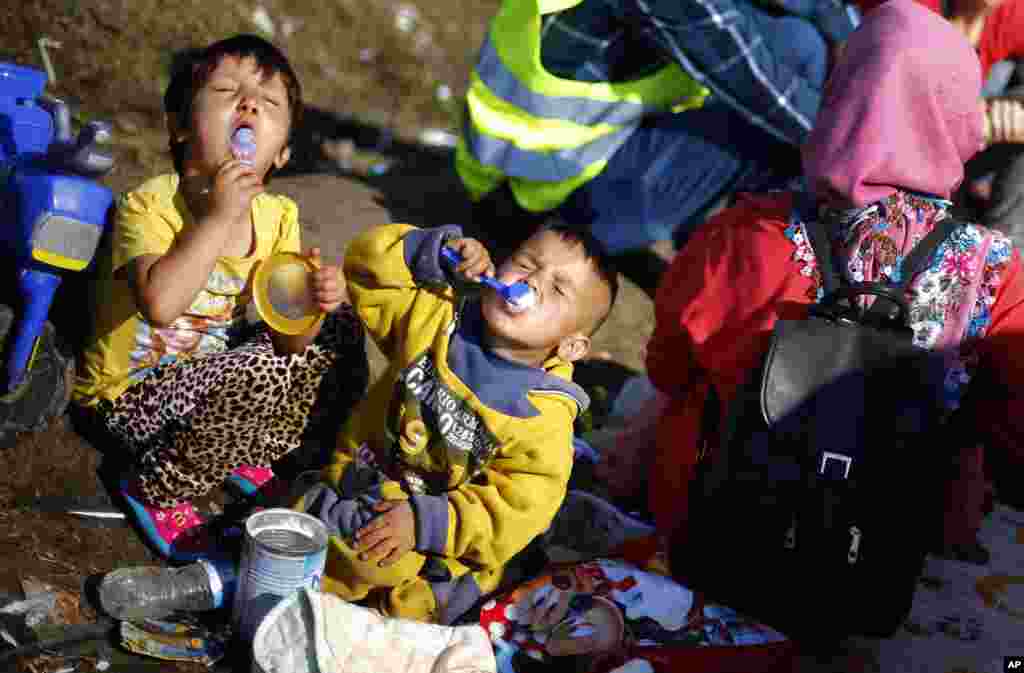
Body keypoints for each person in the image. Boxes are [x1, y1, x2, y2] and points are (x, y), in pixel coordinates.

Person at [643, 0, 1023, 560]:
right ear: (961, 117)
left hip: (712, 526)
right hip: (872, 553)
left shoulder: (742, 232)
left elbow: (668, 368)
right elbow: (1009, 432)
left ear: (841, 98)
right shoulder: (999, 275)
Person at [71, 35, 369, 560]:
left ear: (280, 152)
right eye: (227, 91)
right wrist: (220, 216)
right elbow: (159, 306)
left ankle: (238, 444)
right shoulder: (150, 204)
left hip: (214, 385)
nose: (249, 104)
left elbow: (289, 343)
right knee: (253, 372)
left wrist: (315, 306)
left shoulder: (278, 218)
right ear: (181, 126)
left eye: (267, 103)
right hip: (130, 401)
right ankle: (157, 485)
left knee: (341, 328)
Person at [297, 219, 619, 624]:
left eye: (557, 289)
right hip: (354, 479)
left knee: (386, 576)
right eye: (526, 263)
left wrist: (425, 521)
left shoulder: (542, 416)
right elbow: (366, 273)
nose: (533, 282)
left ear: (571, 346)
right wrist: (435, 254)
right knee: (308, 529)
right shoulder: (438, 316)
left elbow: (518, 508)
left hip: (435, 537)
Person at [456, 0, 858, 268]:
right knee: (783, 131)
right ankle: (719, 278)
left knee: (798, 42)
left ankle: (706, 243)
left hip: (531, 158)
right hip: (532, 197)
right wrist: (866, 152)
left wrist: (840, 28)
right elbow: (759, 86)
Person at [859, 0, 1024, 248]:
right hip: (888, 158)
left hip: (963, 141)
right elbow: (891, 118)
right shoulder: (911, 11)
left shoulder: (1008, 13)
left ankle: (1002, 255)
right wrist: (981, 122)